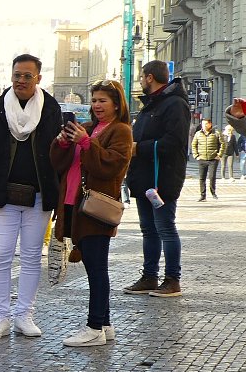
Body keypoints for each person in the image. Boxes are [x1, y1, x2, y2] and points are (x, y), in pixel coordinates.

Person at [0, 54, 62, 340]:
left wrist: (58, 195)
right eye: (17, 75)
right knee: (0, 255)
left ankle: (25, 314)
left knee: (33, 256)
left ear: (38, 77)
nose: (21, 80)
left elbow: (59, 155)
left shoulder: (50, 108)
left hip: (38, 195)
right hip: (3, 195)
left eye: (27, 75)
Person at [49, 81, 134, 347]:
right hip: (75, 204)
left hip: (96, 208)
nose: (97, 105)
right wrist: (62, 143)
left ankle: (94, 325)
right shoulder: (87, 128)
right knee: (93, 266)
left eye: (103, 101)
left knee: (97, 269)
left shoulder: (120, 130)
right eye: (94, 100)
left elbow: (112, 166)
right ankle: (105, 324)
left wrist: (86, 143)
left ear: (117, 105)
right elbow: (60, 164)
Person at [123, 60, 191, 298]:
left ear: (150, 77)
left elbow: (174, 142)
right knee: (148, 230)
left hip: (162, 178)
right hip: (144, 178)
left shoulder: (174, 104)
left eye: (142, 77)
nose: (141, 81)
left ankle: (172, 279)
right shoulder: (153, 104)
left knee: (165, 228)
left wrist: (138, 148)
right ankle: (150, 276)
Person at [191, 118, 223, 201]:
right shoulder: (198, 134)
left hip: (213, 159)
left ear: (210, 124)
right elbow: (194, 145)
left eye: (205, 124)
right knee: (202, 178)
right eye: (203, 124)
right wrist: (196, 155)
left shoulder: (216, 133)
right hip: (202, 158)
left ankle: (213, 193)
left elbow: (223, 144)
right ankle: (203, 195)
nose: (204, 126)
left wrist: (219, 155)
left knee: (212, 177)